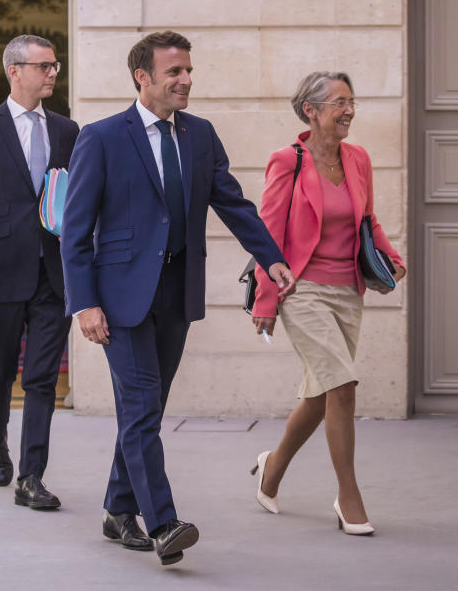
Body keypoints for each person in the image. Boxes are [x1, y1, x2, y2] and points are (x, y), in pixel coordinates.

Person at [61, 31, 297, 565]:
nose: (186, 80)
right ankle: (163, 523)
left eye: (188, 70)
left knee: (147, 408)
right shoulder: (101, 138)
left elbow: (231, 202)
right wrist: (84, 302)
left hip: (178, 290)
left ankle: (118, 509)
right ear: (142, 77)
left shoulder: (200, 135)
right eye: (174, 72)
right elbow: (74, 232)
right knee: (143, 405)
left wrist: (269, 255)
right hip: (118, 296)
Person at [249, 71, 406, 536]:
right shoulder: (287, 161)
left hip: (347, 291)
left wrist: (392, 259)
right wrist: (266, 300)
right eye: (339, 102)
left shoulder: (358, 159)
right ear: (310, 111)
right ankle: (348, 495)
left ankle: (272, 468)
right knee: (343, 386)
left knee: (320, 395)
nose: (349, 110)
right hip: (303, 290)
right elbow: (268, 234)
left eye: (352, 101)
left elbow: (367, 221)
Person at [0, 35, 79, 510]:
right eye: (44, 66)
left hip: (54, 275)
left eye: (54, 66)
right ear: (15, 71)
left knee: (42, 379)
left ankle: (32, 477)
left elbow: (78, 204)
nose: (51, 74)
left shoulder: (68, 131)